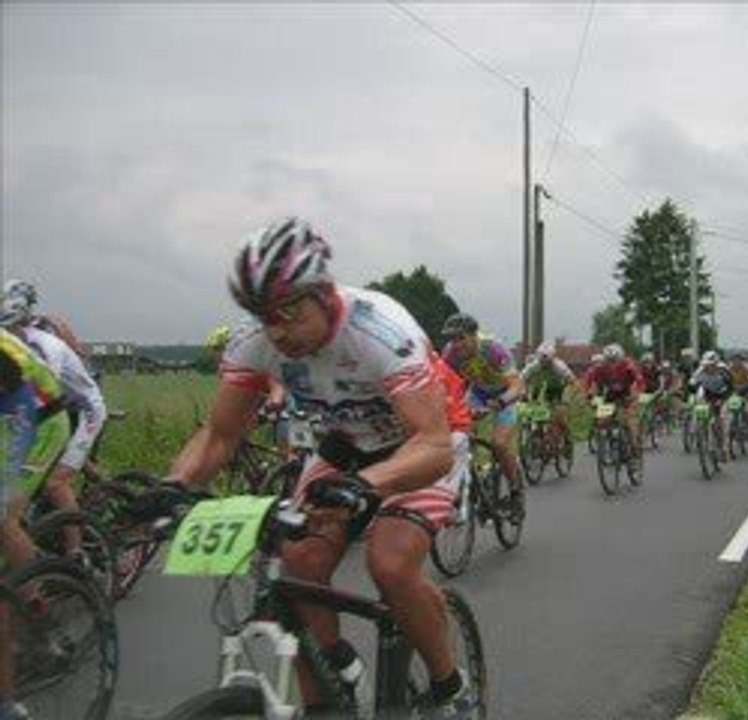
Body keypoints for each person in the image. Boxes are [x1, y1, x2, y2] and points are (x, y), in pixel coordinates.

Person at [139, 216, 478, 718]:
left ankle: (451, 688)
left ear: (323, 294)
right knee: (297, 561)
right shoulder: (254, 341)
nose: (276, 331)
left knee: (389, 563)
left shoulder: (378, 330)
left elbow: (432, 445)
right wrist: (173, 486)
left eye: (289, 311)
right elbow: (220, 435)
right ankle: (334, 675)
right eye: (262, 314)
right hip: (346, 447)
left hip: (423, 444)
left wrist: (366, 485)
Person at [1, 329, 71, 720]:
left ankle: (35, 605)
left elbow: (15, 403)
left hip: (37, 415)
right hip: (7, 410)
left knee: (2, 515)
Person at [1, 300, 106, 555]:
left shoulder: (43, 344)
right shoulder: (17, 340)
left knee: (55, 483)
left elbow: (47, 389)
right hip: (45, 410)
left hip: (83, 409)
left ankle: (75, 551)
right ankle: (98, 481)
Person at [441, 312, 525, 518]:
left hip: (505, 396)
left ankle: (515, 492)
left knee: (499, 444)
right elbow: (442, 384)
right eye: (452, 339)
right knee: (457, 438)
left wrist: (501, 401)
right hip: (477, 394)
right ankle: (473, 478)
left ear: (473, 335)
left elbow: (518, 387)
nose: (456, 344)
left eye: (461, 338)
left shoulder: (493, 349)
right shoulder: (450, 354)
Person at [583, 343, 645, 456]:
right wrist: (589, 395)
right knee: (602, 421)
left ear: (621, 358)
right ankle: (611, 441)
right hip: (610, 395)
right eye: (609, 360)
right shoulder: (600, 367)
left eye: (614, 360)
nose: (612, 363)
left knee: (630, 420)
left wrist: (637, 394)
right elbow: (591, 382)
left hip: (627, 394)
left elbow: (639, 380)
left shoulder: (628, 364)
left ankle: (635, 445)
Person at [520, 341, 579, 452]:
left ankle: (567, 438)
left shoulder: (559, 366)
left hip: (558, 389)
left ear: (553, 359)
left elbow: (573, 382)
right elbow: (521, 380)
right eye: (542, 362)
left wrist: (569, 398)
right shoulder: (534, 365)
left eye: (548, 362)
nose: (545, 364)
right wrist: (523, 394)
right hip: (541, 389)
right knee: (534, 413)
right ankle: (539, 436)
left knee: (559, 416)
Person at [690, 351, 734, 459]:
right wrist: (692, 388)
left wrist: (722, 399)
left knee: (722, 422)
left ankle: (724, 448)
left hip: (721, 397)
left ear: (716, 363)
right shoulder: (699, 371)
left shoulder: (724, 372)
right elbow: (691, 385)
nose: (709, 367)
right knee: (697, 410)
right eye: (706, 365)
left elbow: (730, 388)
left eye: (711, 365)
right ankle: (697, 432)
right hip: (706, 397)